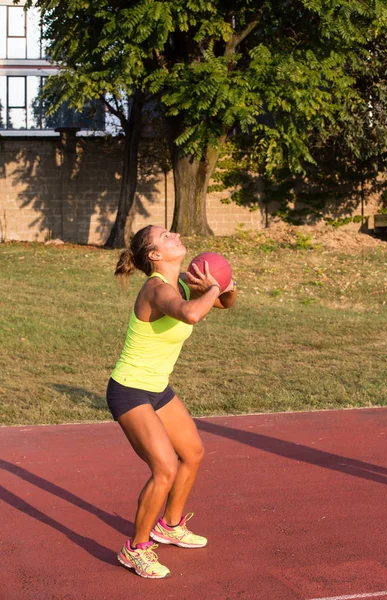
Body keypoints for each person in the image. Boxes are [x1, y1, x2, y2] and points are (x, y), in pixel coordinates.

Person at [106, 225, 237, 579]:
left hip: (156, 388)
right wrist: (210, 289)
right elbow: (193, 313)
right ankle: (135, 549)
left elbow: (224, 302)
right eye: (165, 236)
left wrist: (224, 285)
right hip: (129, 389)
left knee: (192, 453)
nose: (174, 234)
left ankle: (170, 525)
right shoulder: (155, 289)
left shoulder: (180, 285)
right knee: (165, 468)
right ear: (154, 255)